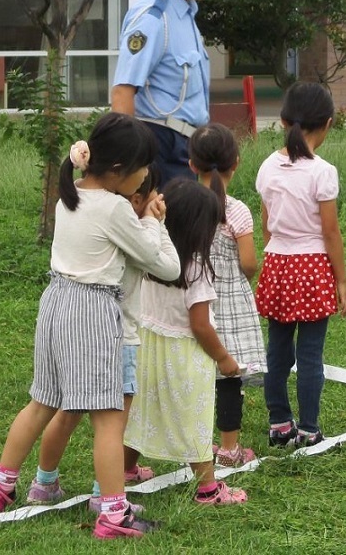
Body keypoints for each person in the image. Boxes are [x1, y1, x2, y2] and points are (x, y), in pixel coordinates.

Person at [0, 113, 178, 540]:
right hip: (93, 309)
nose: (145, 178)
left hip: (55, 303)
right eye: (142, 169)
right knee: (108, 418)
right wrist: (155, 221)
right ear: (120, 169)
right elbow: (160, 262)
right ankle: (113, 513)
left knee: (41, 402)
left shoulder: (69, 197)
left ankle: (0, 484)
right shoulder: (116, 207)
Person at [25, 163, 174, 513]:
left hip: (76, 330)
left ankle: (44, 483)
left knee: (67, 411)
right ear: (137, 197)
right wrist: (156, 222)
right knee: (112, 424)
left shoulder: (84, 212)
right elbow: (168, 267)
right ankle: (104, 496)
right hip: (117, 340)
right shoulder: (130, 232)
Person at [124, 178, 249, 505]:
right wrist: (224, 359)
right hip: (184, 357)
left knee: (141, 410)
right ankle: (208, 489)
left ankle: (125, 469)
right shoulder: (196, 267)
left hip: (148, 349)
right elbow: (201, 326)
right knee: (193, 421)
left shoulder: (152, 257)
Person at [255, 82, 346, 448]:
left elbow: (266, 225)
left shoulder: (267, 167)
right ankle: (310, 429)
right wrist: (340, 282)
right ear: (327, 123)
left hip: (278, 264)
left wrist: (279, 255)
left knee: (277, 352)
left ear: (282, 120)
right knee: (310, 354)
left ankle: (279, 422)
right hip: (312, 269)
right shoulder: (322, 172)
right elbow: (330, 232)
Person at [111, 0, 232, 184]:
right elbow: (122, 92)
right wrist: (130, 166)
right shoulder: (153, 18)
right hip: (160, 147)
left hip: (188, 148)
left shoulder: (186, 12)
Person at [188, 123, 267, 468]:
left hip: (191, 300)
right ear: (236, 162)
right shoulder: (236, 211)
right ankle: (230, 449)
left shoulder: (179, 205)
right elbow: (249, 263)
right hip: (230, 303)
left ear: (192, 164)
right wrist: (238, 277)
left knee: (193, 373)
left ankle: (192, 447)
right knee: (229, 375)